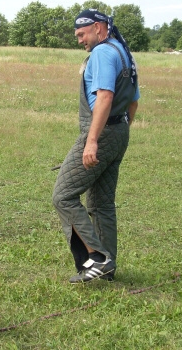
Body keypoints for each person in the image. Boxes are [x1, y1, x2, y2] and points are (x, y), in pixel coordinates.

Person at [52, 9, 140, 283]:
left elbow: (104, 96)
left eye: (82, 34)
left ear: (99, 28)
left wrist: (93, 140)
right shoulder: (123, 51)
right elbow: (134, 100)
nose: (80, 40)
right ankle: (107, 268)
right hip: (118, 131)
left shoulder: (102, 53)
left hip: (101, 135)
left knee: (63, 196)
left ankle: (97, 259)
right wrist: (119, 130)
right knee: (102, 203)